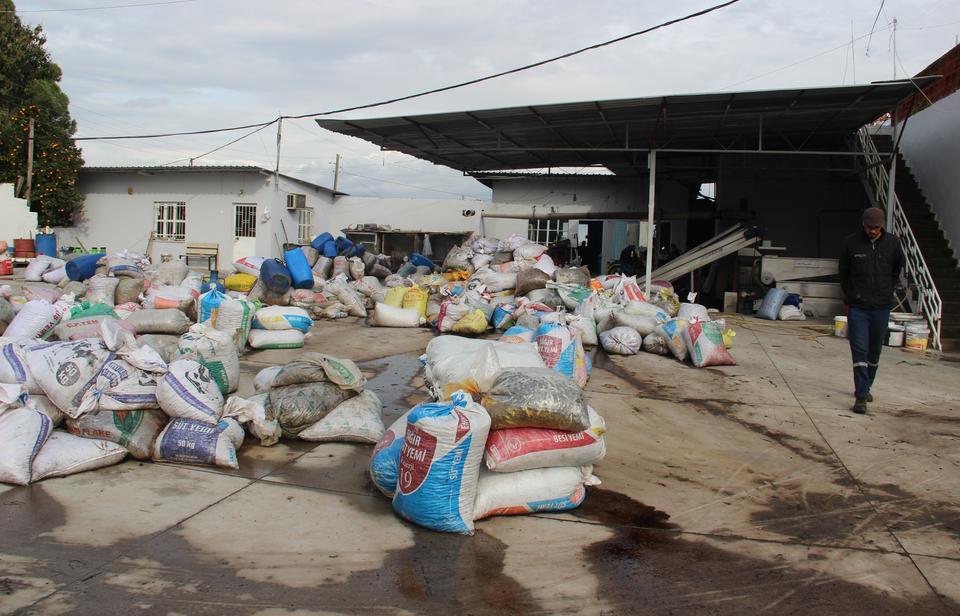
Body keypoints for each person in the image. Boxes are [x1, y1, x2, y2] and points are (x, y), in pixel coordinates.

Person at [838, 207, 903, 414]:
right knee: (859, 350)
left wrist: (886, 292)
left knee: (874, 351)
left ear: (882, 226)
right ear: (863, 225)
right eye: (868, 228)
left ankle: (867, 387)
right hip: (858, 307)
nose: (872, 231)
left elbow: (896, 271)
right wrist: (852, 295)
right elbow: (843, 272)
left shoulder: (893, 244)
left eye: (875, 228)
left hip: (881, 307)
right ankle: (860, 396)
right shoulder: (851, 243)